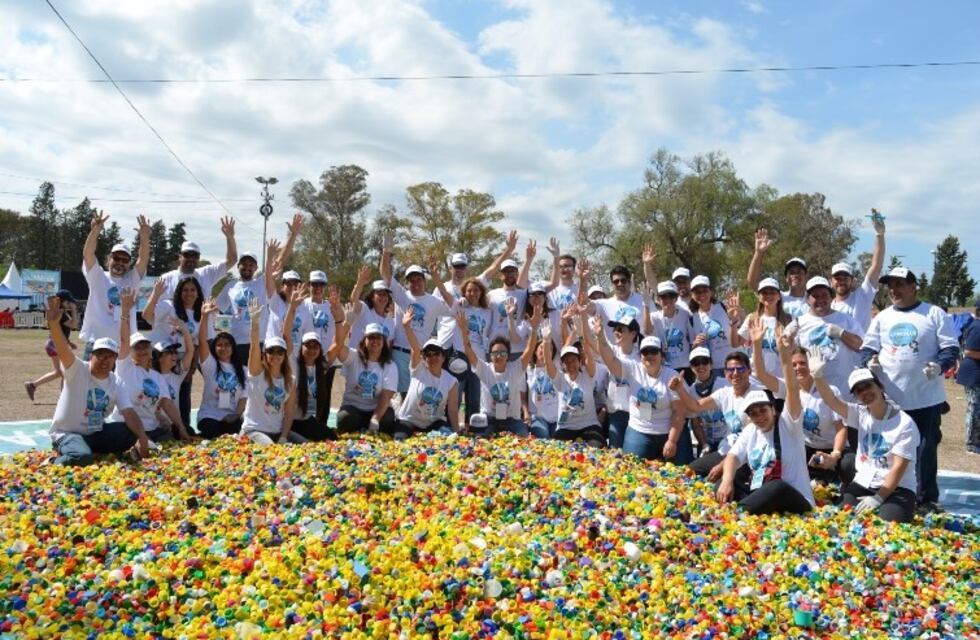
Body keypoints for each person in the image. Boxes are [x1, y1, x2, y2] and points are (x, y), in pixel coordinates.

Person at [861, 266, 959, 512]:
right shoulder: (883, 317)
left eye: (900, 284)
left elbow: (950, 348)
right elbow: (867, 348)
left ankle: (926, 499)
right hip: (890, 400)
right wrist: (868, 361)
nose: (894, 290)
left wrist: (939, 366)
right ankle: (887, 492)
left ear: (914, 286)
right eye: (891, 285)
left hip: (925, 398)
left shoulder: (934, 313)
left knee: (925, 450)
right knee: (889, 449)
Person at [711, 334, 815, 515]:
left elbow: (792, 389)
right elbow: (732, 457)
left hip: (793, 500)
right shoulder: (751, 430)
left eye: (763, 410)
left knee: (777, 487)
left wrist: (784, 356)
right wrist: (727, 480)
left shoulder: (788, 425)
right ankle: (746, 511)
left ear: (773, 409)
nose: (759, 416)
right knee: (722, 482)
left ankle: (736, 515)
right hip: (761, 496)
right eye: (753, 413)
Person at [44, 297, 149, 465]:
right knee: (82, 457)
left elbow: (128, 412)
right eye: (99, 354)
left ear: (115, 359)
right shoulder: (77, 369)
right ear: (91, 356)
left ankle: (87, 450)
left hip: (95, 433)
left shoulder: (117, 382)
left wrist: (143, 439)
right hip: (67, 433)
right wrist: (55, 325)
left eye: (109, 356)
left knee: (130, 431)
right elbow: (63, 350)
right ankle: (53, 461)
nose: (104, 360)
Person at [748, 316, 849, 485]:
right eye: (793, 365)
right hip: (805, 449)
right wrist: (757, 344)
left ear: (812, 364)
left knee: (847, 466)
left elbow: (841, 428)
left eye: (803, 363)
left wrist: (835, 455)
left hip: (831, 449)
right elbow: (761, 374)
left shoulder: (829, 391)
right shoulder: (788, 390)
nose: (798, 368)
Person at [812, 367, 920, 523]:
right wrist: (818, 376)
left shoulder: (904, 423)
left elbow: (899, 467)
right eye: (858, 391)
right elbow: (832, 401)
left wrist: (879, 498)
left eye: (868, 386)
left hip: (898, 488)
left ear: (880, 386)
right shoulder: (860, 414)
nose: (865, 393)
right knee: (842, 518)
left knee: (889, 526)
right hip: (865, 482)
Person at [593, 324, 685, 459]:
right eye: (645, 352)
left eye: (654, 351)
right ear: (640, 356)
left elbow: (679, 412)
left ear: (662, 355)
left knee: (683, 470)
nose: (649, 355)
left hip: (667, 431)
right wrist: (601, 337)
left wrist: (672, 441)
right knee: (630, 467)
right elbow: (611, 361)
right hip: (639, 430)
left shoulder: (671, 376)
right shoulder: (633, 369)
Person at [114, 289, 192, 444]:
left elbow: (166, 403)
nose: (142, 350)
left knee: (170, 445)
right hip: (129, 428)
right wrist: (125, 312)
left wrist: (181, 428)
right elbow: (123, 340)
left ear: (151, 350)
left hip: (153, 428)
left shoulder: (157, 377)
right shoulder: (126, 368)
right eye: (137, 347)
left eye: (145, 346)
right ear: (130, 352)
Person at [674, 351, 767, 481]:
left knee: (718, 484)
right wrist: (679, 389)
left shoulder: (756, 395)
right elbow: (696, 406)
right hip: (727, 450)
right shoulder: (725, 393)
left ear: (749, 371)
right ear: (725, 372)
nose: (735, 373)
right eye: (731, 369)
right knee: (688, 472)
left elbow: (747, 440)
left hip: (749, 455)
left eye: (740, 369)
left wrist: (722, 465)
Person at [457, 304, 538, 436]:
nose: (498, 356)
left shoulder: (516, 368)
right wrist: (463, 333)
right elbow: (468, 351)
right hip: (489, 419)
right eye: (495, 353)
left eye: (502, 353)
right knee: (480, 440)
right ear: (490, 355)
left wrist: (534, 329)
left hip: (512, 420)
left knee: (523, 437)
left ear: (508, 355)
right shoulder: (485, 369)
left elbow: (529, 350)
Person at [78, 212, 151, 358]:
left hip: (123, 346)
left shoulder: (132, 280)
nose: (120, 262)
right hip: (96, 344)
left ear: (129, 263)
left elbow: (143, 259)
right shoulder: (97, 276)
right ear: (109, 259)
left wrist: (144, 237)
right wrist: (95, 232)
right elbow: (88, 254)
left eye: (125, 260)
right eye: (116, 258)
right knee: (90, 381)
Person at [143, 276, 204, 429]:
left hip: (182, 358)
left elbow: (196, 344)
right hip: (159, 358)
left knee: (181, 394)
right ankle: (151, 425)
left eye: (192, 290)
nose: (189, 293)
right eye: (185, 290)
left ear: (198, 293)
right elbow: (147, 316)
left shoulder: (199, 314)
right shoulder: (168, 306)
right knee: (153, 392)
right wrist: (155, 294)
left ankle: (182, 427)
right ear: (178, 292)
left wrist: (192, 368)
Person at [789, 276, 864, 400]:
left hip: (845, 393)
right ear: (807, 299)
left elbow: (862, 347)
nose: (820, 299)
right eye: (815, 296)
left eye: (824, 295)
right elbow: (789, 358)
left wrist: (842, 333)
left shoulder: (846, 320)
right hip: (814, 396)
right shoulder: (799, 324)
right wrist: (788, 339)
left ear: (831, 296)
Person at [433, 274, 493, 427]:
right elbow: (446, 295)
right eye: (469, 291)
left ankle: (472, 427)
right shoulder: (459, 307)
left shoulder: (487, 311)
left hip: (478, 358)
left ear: (481, 292)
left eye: (476, 290)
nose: (473, 294)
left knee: (474, 397)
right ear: (464, 293)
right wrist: (435, 276)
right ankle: (451, 425)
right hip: (460, 356)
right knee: (456, 395)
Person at [391, 309, 461, 439]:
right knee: (399, 440)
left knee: (448, 439)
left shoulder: (451, 381)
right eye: (428, 355)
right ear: (424, 358)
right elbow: (415, 348)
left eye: (436, 354)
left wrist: (457, 433)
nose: (432, 357)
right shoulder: (418, 369)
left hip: (433, 423)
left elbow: (452, 410)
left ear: (443, 357)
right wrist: (407, 327)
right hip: (409, 420)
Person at [241, 300, 301, 445]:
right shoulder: (257, 373)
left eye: (280, 351)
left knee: (306, 447)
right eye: (271, 351)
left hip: (277, 432)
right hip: (254, 430)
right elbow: (254, 347)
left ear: (285, 355)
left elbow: (289, 412)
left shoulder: (290, 380)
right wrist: (255, 325)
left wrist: (284, 437)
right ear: (265, 354)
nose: (275, 355)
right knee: (271, 449)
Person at [543, 311, 605, 447]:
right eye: (567, 362)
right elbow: (548, 362)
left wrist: (582, 336)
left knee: (597, 449)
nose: (571, 364)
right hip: (566, 427)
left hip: (589, 425)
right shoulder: (560, 379)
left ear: (579, 361)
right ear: (563, 365)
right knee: (558, 452)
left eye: (573, 360)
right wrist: (546, 341)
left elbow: (588, 354)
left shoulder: (588, 375)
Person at [284, 285, 336, 441]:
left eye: (315, 346)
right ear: (301, 347)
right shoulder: (293, 363)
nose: (312, 349)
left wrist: (343, 321)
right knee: (303, 444)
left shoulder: (322, 366)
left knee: (331, 438)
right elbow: (286, 334)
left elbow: (338, 343)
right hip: (290, 420)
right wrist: (292, 308)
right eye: (308, 345)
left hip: (306, 419)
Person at [332, 317, 398, 436]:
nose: (375, 341)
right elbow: (337, 347)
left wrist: (375, 419)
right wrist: (346, 323)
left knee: (388, 419)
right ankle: (362, 425)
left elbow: (386, 396)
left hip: (376, 408)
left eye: (378, 338)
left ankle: (368, 424)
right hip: (353, 407)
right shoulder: (353, 357)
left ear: (384, 342)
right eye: (371, 337)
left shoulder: (390, 365)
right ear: (364, 341)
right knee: (344, 419)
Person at [220, 240, 280, 363]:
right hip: (236, 343)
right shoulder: (230, 286)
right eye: (244, 264)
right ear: (238, 266)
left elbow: (277, 264)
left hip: (259, 341)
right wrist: (223, 334)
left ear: (256, 268)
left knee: (257, 379)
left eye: (251, 265)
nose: (247, 267)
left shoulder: (261, 283)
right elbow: (218, 310)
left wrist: (270, 256)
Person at [196, 297, 247, 439]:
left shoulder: (243, 370)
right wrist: (204, 316)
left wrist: (236, 414)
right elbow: (201, 340)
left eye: (227, 344)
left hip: (231, 416)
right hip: (210, 415)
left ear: (233, 348)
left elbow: (244, 397)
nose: (223, 348)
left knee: (235, 429)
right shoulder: (210, 364)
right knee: (210, 429)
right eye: (219, 345)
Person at [831, 209, 886, 330]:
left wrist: (880, 235)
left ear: (853, 280)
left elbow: (876, 266)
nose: (841, 281)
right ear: (831, 282)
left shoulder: (861, 297)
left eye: (845, 277)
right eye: (837, 277)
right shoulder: (827, 307)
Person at [157, 217, 237, 299]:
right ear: (180, 257)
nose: (191, 258)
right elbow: (155, 307)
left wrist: (230, 237)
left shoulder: (206, 274)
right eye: (187, 255)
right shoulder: (166, 279)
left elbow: (232, 260)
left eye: (195, 255)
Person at [733, 278, 792, 386]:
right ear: (759, 297)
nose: (768, 295)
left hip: (780, 380)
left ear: (779, 296)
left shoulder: (789, 319)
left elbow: (794, 350)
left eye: (772, 292)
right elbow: (735, 343)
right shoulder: (752, 318)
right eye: (764, 293)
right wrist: (733, 322)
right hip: (755, 380)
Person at [25, 289, 79, 401]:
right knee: (66, 372)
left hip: (52, 343)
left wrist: (68, 342)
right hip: (55, 344)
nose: (70, 304)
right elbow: (74, 325)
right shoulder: (61, 314)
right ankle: (64, 398)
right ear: (61, 301)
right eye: (68, 302)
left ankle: (32, 385)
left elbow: (60, 331)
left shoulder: (57, 313)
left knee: (59, 372)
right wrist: (74, 310)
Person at [486, 241, 535, 360]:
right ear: (500, 275)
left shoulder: (523, 294)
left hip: (517, 348)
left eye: (512, 271)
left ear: (517, 274)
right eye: (506, 272)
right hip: (494, 347)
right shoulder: (491, 294)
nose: (509, 274)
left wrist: (528, 259)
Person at [746, 228, 809, 318]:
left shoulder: (815, 299)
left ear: (806, 276)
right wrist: (759, 252)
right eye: (791, 272)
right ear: (786, 278)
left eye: (799, 272)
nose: (795, 275)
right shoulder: (779, 298)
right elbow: (752, 282)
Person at [602, 315, 641, 449]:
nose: (616, 332)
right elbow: (593, 344)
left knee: (635, 455)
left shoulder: (643, 356)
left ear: (633, 333)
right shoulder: (612, 351)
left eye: (620, 329)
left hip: (637, 413)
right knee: (615, 453)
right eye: (615, 329)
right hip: (617, 413)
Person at [684, 347, 731, 456]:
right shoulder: (690, 391)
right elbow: (695, 423)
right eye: (696, 363)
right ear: (691, 367)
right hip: (707, 441)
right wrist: (704, 443)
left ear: (711, 364)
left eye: (704, 362)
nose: (701, 366)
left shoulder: (725, 384)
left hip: (728, 438)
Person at [649, 281, 694, 379]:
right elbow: (647, 330)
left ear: (676, 298)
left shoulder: (685, 314)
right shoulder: (654, 317)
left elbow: (692, 340)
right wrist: (645, 305)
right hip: (664, 368)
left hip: (685, 367)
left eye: (671, 296)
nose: (667, 299)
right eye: (663, 296)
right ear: (658, 299)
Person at [689, 276, 730, 374]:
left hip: (733, 364)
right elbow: (692, 346)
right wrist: (696, 344)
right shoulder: (692, 318)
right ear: (692, 295)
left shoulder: (724, 307)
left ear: (711, 292)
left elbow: (740, 323)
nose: (701, 294)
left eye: (705, 290)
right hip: (713, 368)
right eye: (697, 292)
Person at [525, 331, 560, 439]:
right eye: (541, 347)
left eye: (549, 348)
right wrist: (526, 415)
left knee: (559, 438)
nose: (544, 350)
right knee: (543, 435)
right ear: (535, 350)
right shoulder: (528, 370)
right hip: (538, 417)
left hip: (556, 418)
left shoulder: (556, 367)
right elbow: (522, 397)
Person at [348, 266, 395, 346]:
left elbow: (389, 344)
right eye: (379, 294)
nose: (383, 297)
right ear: (372, 297)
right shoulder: (364, 310)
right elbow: (354, 299)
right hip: (357, 356)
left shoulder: (390, 321)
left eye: (385, 295)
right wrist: (360, 282)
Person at [956, 301, 980, 454]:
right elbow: (969, 351)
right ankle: (972, 444)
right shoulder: (977, 327)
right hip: (973, 373)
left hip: (974, 372)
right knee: (975, 408)